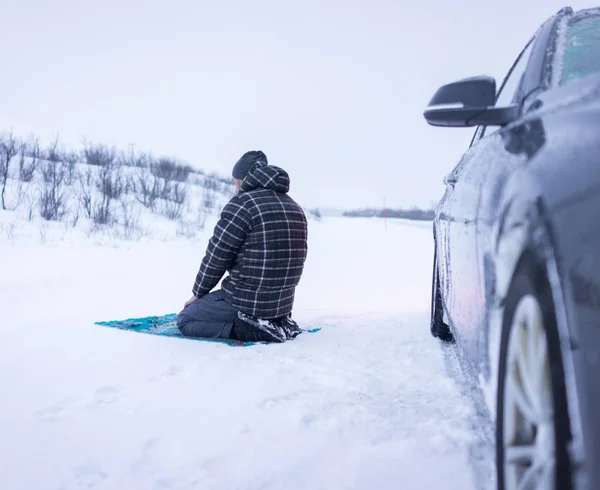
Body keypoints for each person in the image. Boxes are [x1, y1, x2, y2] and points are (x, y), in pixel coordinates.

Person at [177, 150, 308, 343]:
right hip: (283, 305)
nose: (235, 187)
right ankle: (274, 323)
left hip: (247, 302)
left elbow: (217, 256)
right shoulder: (295, 206)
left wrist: (198, 294)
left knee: (186, 319)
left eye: (235, 181)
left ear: (244, 179)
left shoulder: (243, 204)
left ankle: (247, 329)